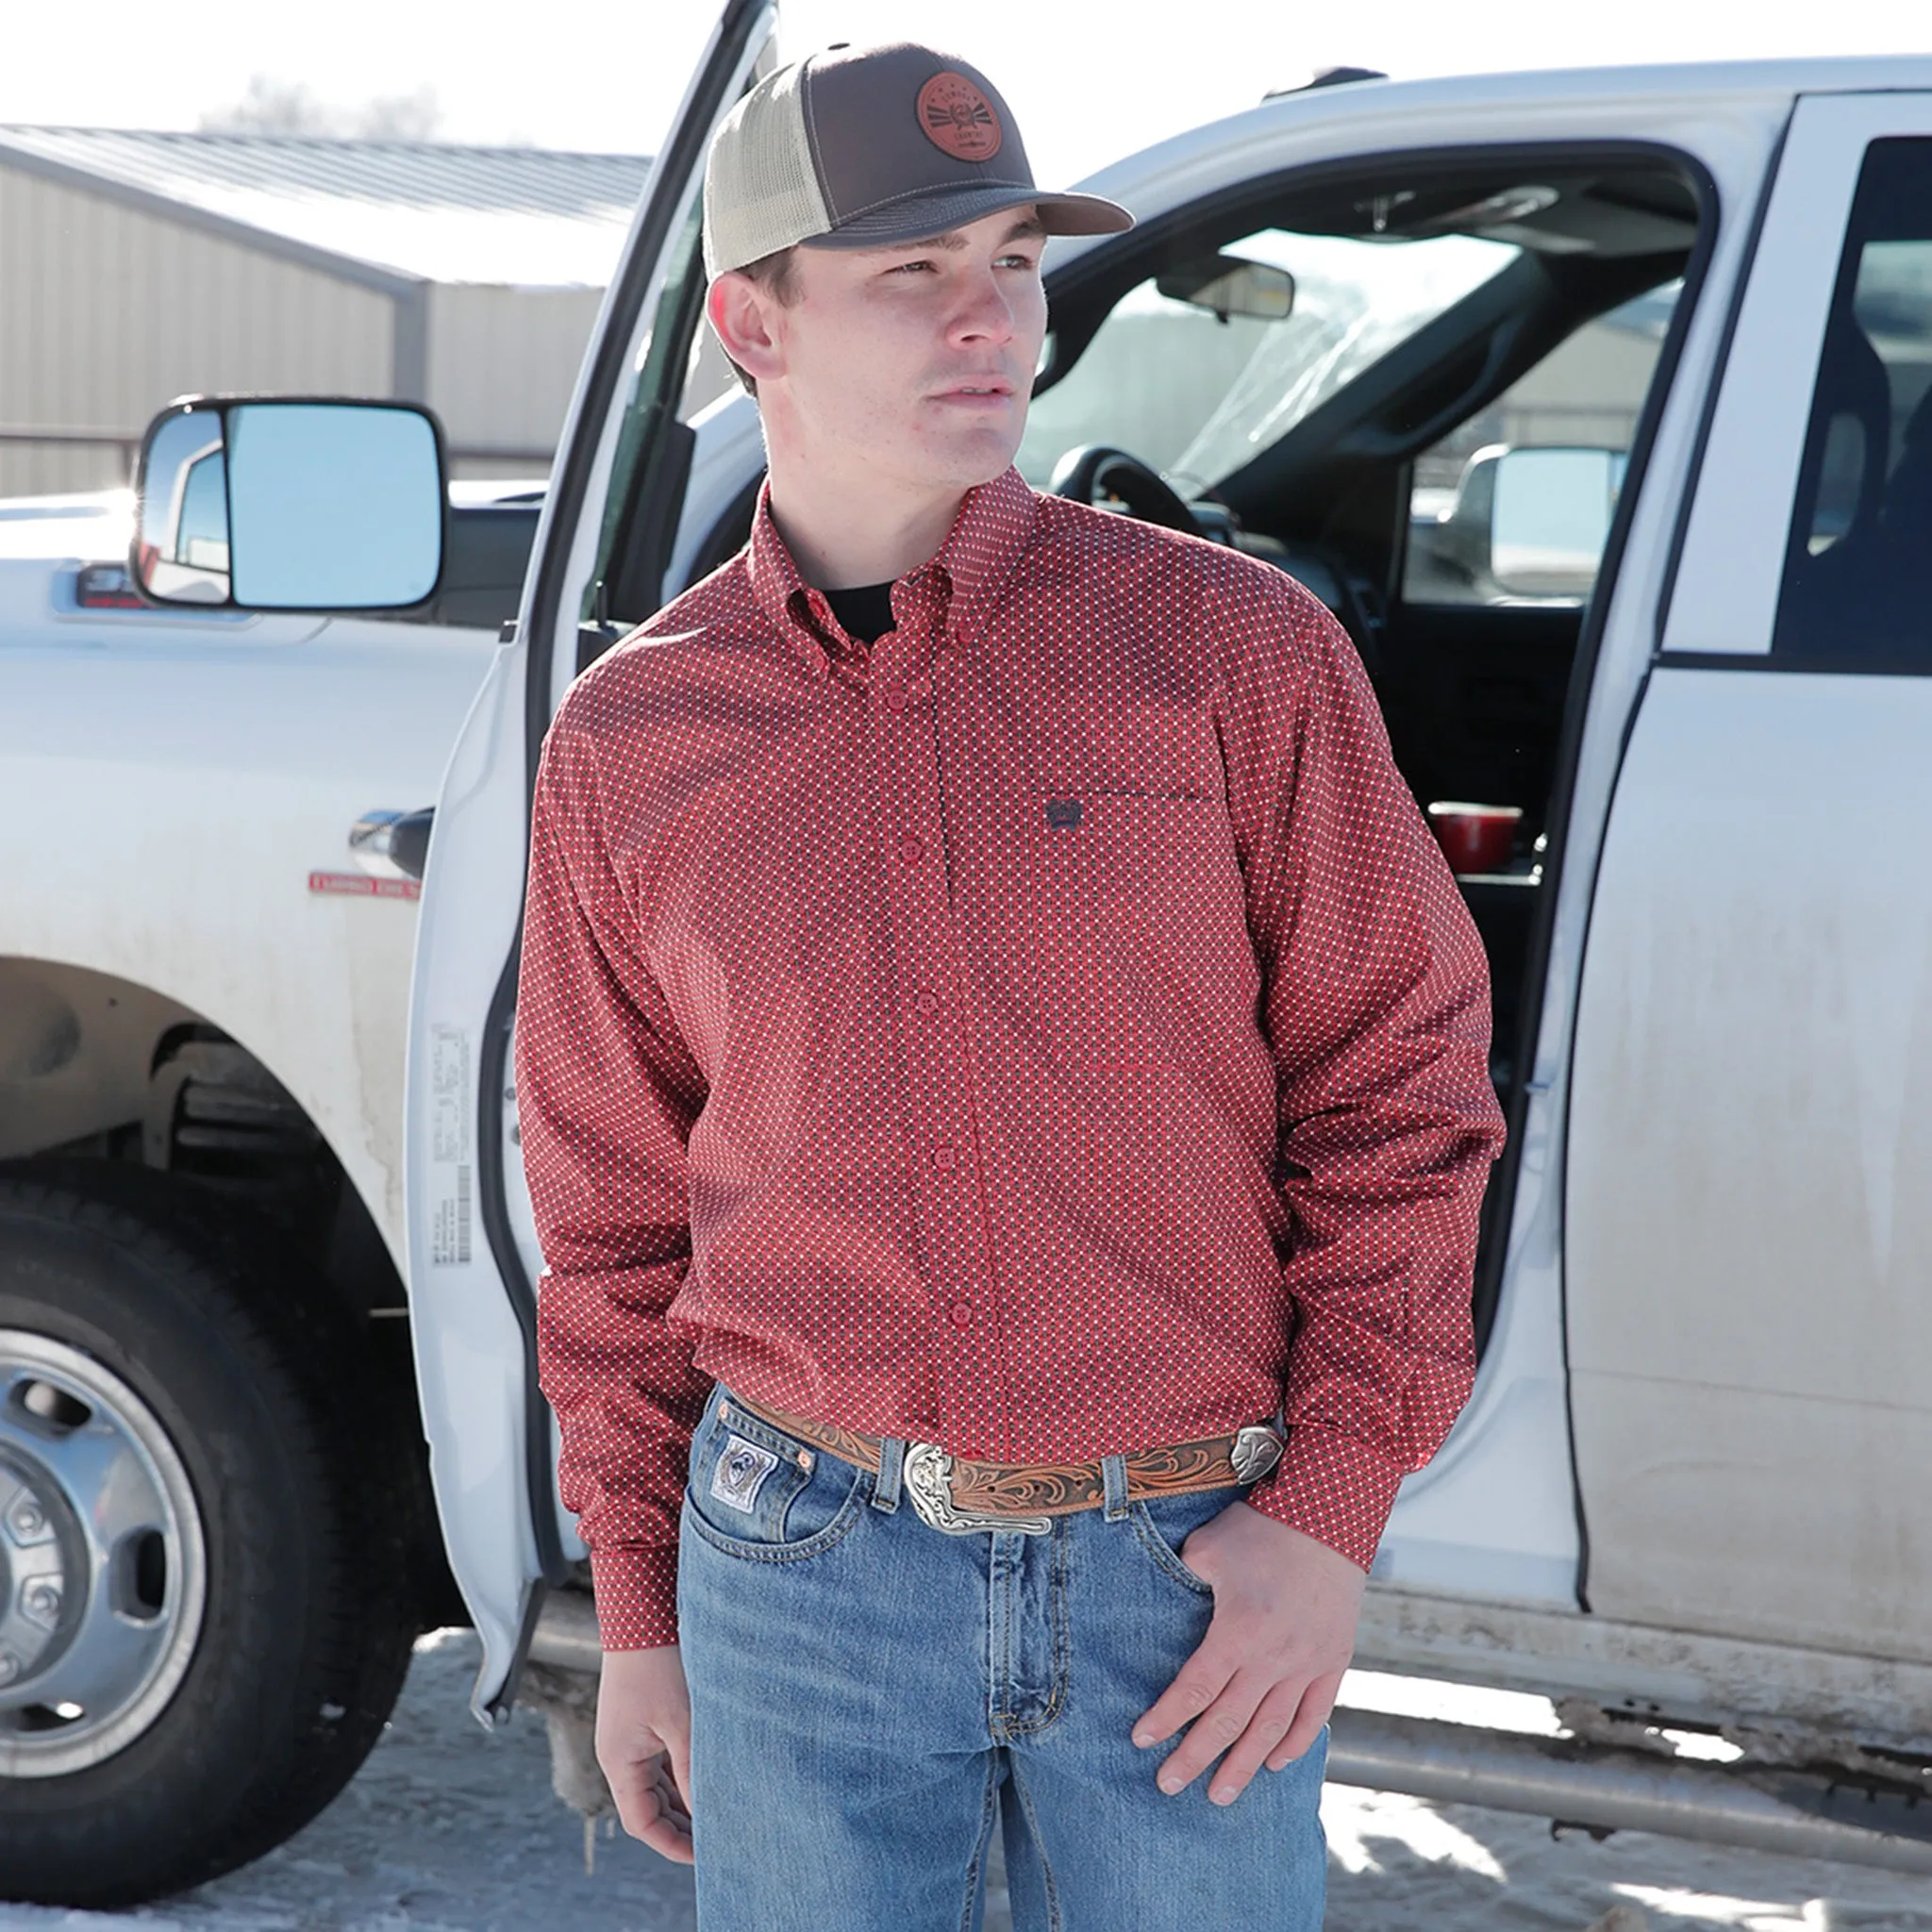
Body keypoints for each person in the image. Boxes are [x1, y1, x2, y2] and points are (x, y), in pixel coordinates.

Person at [514, 39, 1506, 1931]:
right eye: (913, 273)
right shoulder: (631, 739)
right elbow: (613, 1216)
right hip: (795, 1575)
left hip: (1184, 1574)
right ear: (751, 323)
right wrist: (637, 1606)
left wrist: (1328, 1512)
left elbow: (1402, 1091)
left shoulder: (1231, 656)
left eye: (1013, 263)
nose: (988, 317)